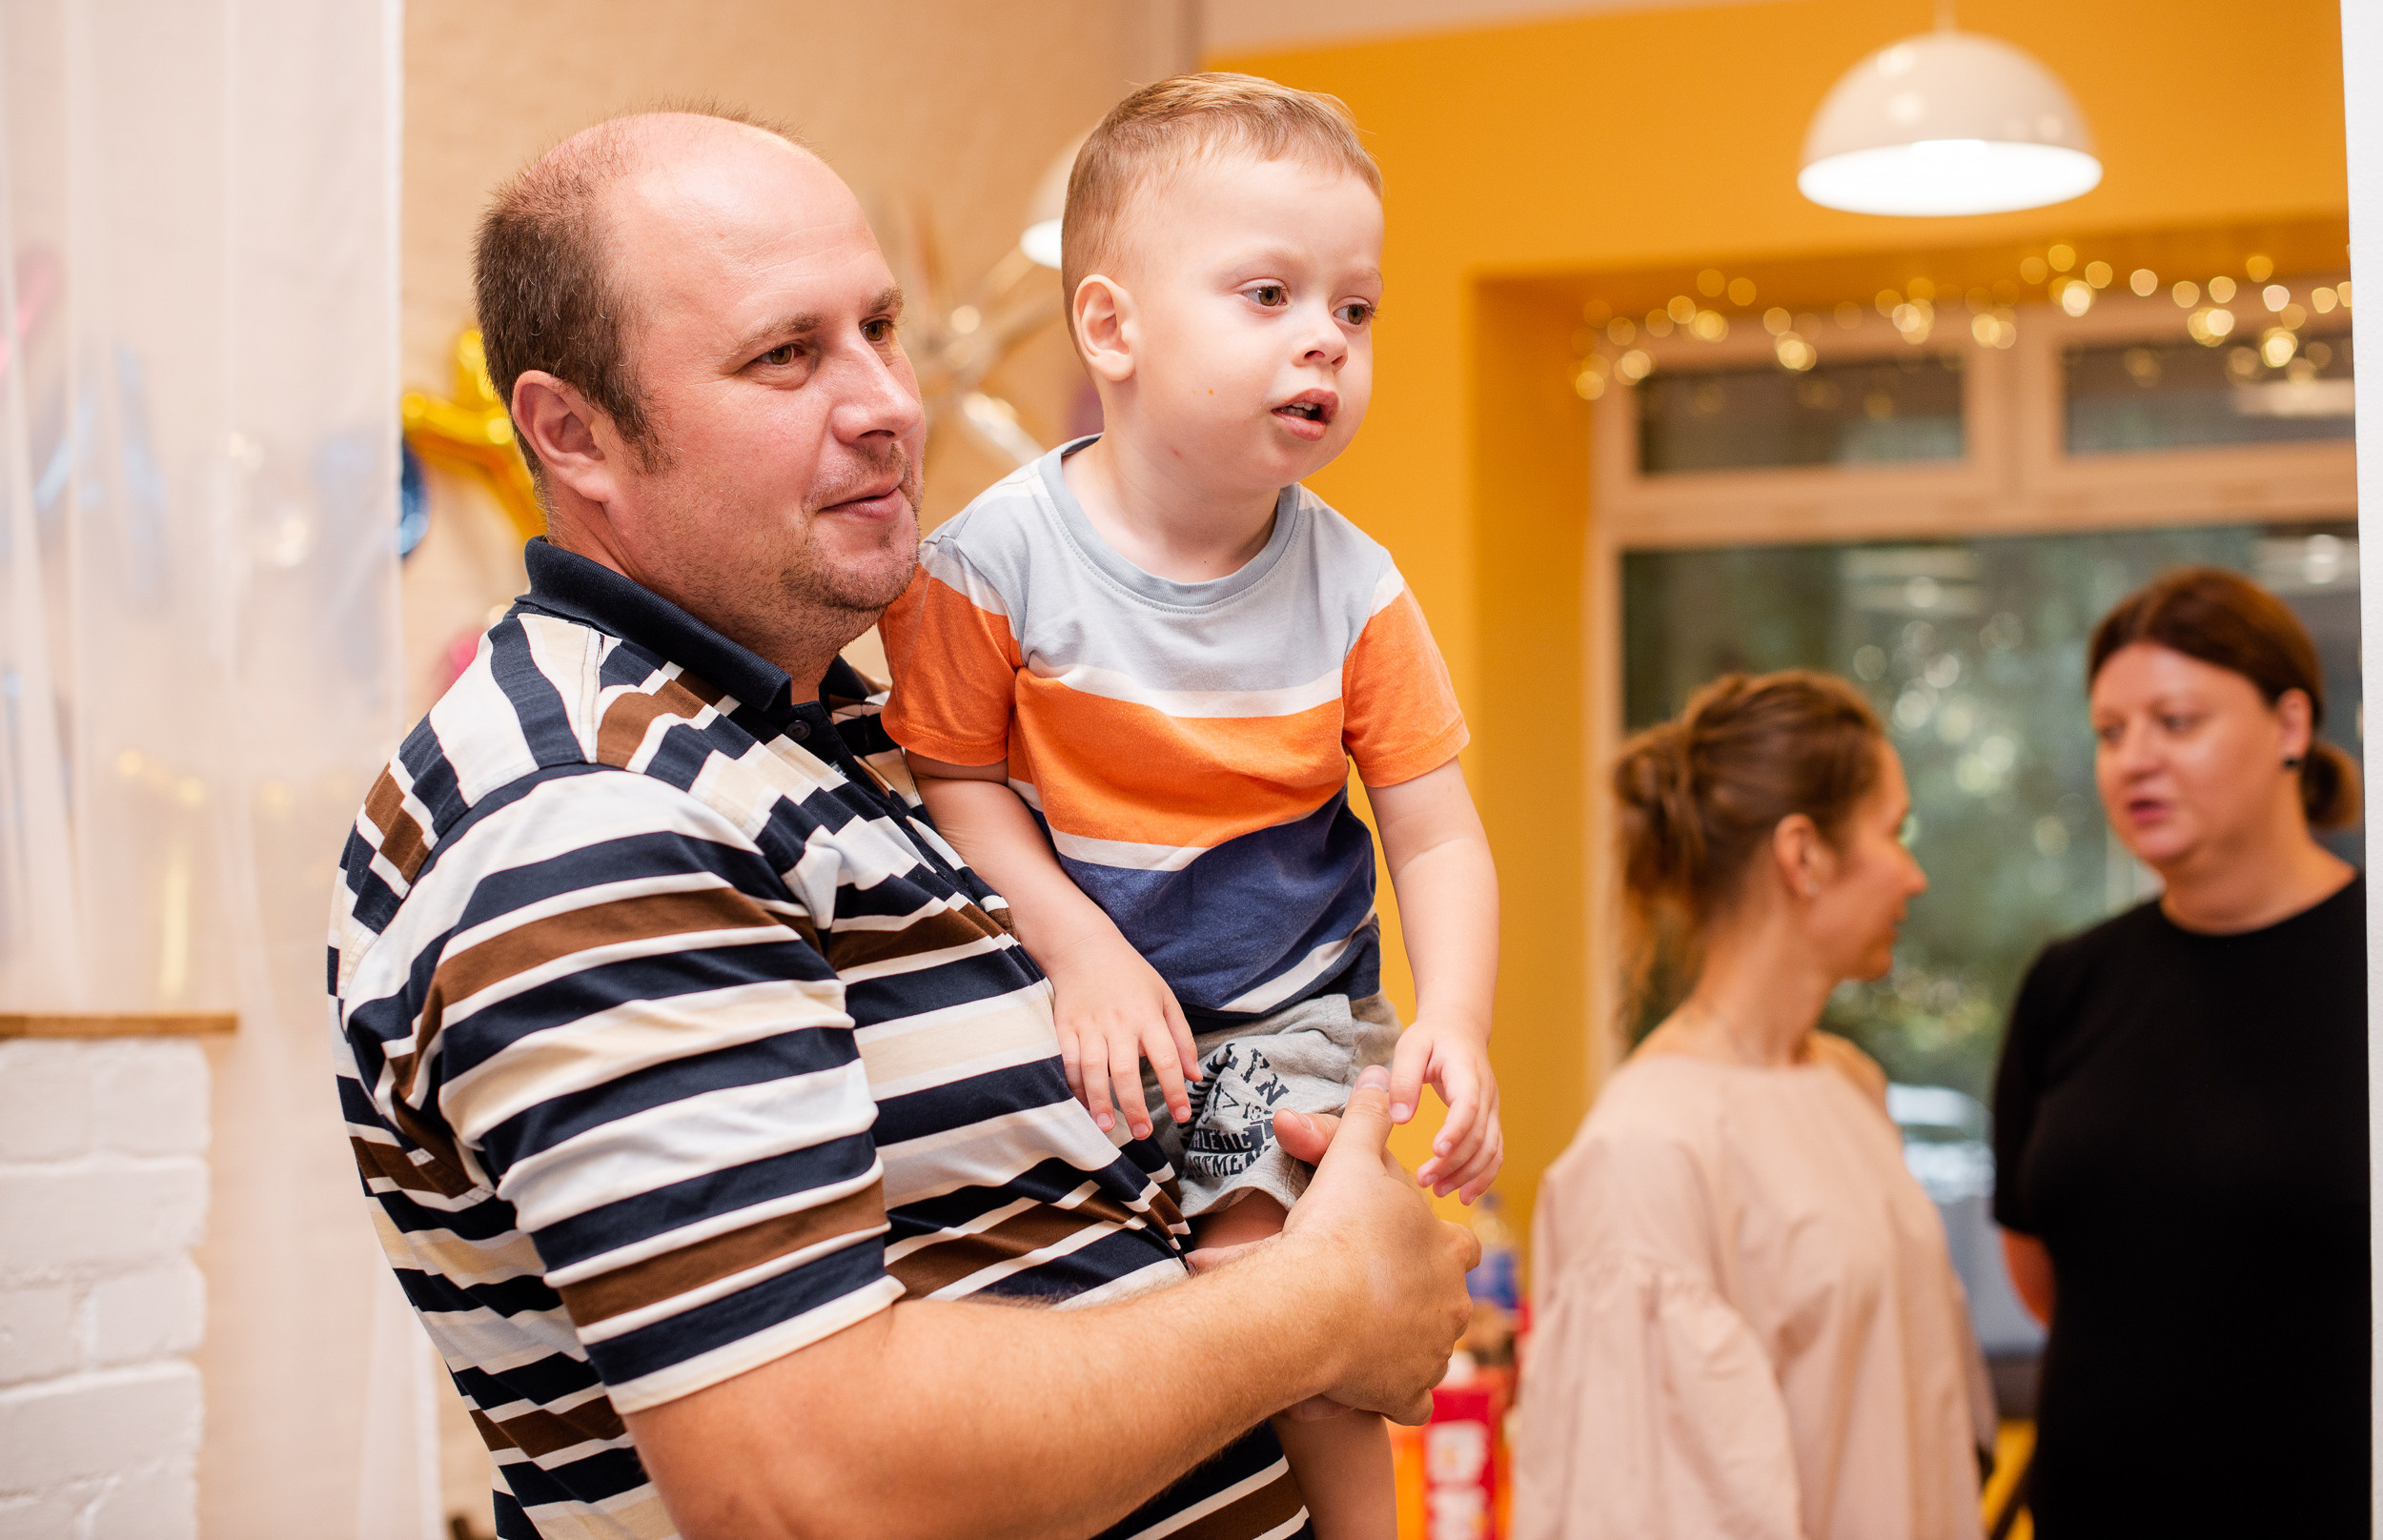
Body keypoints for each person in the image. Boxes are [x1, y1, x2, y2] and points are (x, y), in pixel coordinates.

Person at [328, 107, 1477, 1540]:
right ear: (576, 434)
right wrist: (1323, 1313)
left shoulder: (860, 734)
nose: (886, 399)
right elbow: (805, 1486)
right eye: (785, 355)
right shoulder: (583, 817)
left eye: (878, 326)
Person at [878, 74, 1501, 1539]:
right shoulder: (993, 563)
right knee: (1058, 1305)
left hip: (1282, 1004)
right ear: (1113, 330)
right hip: (1075, 997)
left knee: (1266, 1270)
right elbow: (952, 779)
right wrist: (1080, 949)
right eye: (1270, 293)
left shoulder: (1356, 586)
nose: (1323, 341)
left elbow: (1434, 824)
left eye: (1355, 309)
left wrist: (1454, 1017)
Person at [1511, 671, 1992, 1540]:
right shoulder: (1648, 1149)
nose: (1913, 875)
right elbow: (1640, 1508)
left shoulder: (1849, 1084)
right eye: (1895, 831)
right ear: (1803, 854)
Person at [1991, 565, 2366, 1535]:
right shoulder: (2069, 984)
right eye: (2110, 732)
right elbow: (2044, 1275)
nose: (2133, 760)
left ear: (2289, 727)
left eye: (2176, 721)